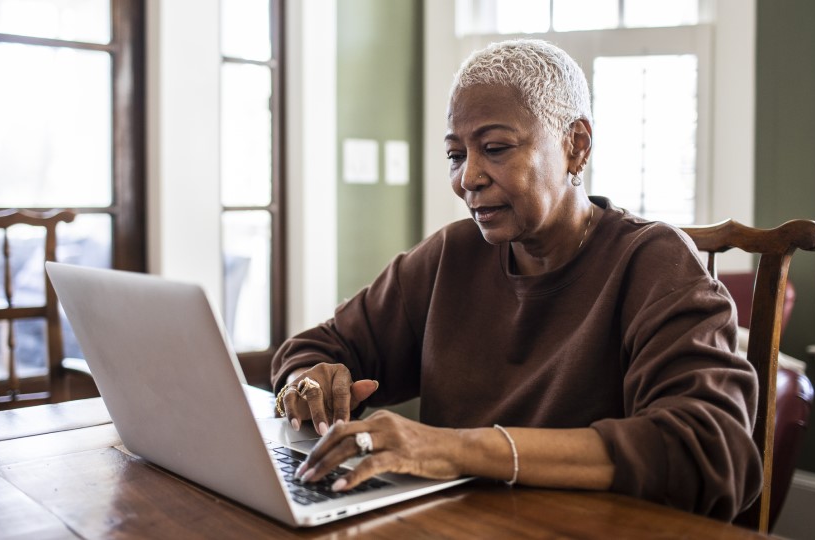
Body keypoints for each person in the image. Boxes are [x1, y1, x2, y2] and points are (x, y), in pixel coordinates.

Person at [271, 39, 762, 521]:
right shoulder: (451, 254)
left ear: (575, 147)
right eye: (456, 155)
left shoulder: (653, 262)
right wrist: (309, 380)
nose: (468, 178)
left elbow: (709, 452)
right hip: (458, 524)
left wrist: (457, 448)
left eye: (496, 148)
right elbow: (320, 346)